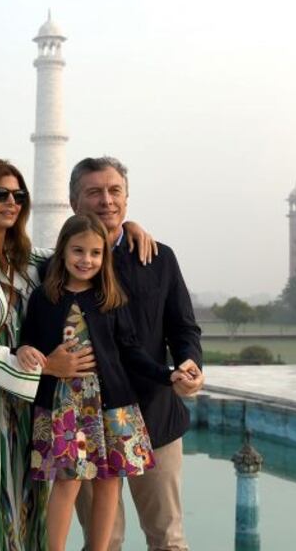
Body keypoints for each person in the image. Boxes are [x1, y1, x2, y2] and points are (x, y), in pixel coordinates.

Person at [0, 159, 156, 551]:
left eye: (19, 195)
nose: (11, 202)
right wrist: (46, 367)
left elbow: (86, 254)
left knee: (26, 511)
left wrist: (125, 230)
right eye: (0, 194)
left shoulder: (28, 260)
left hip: (28, 407)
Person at [17, 213, 189, 551]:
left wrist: (168, 374)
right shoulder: (44, 298)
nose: (87, 260)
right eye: (78, 251)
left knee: (110, 482)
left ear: (104, 257)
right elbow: (30, 340)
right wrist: (23, 350)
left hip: (113, 406)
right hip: (64, 407)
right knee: (67, 483)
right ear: (63, 252)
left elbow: (132, 352)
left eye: (95, 253)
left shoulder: (110, 299)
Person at [68, 157, 204, 551]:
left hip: (154, 414)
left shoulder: (157, 258)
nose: (106, 201)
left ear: (127, 199)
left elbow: (183, 328)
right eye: (94, 192)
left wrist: (189, 362)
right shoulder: (63, 264)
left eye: (114, 191)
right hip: (89, 421)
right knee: (103, 542)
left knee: (167, 538)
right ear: (74, 200)